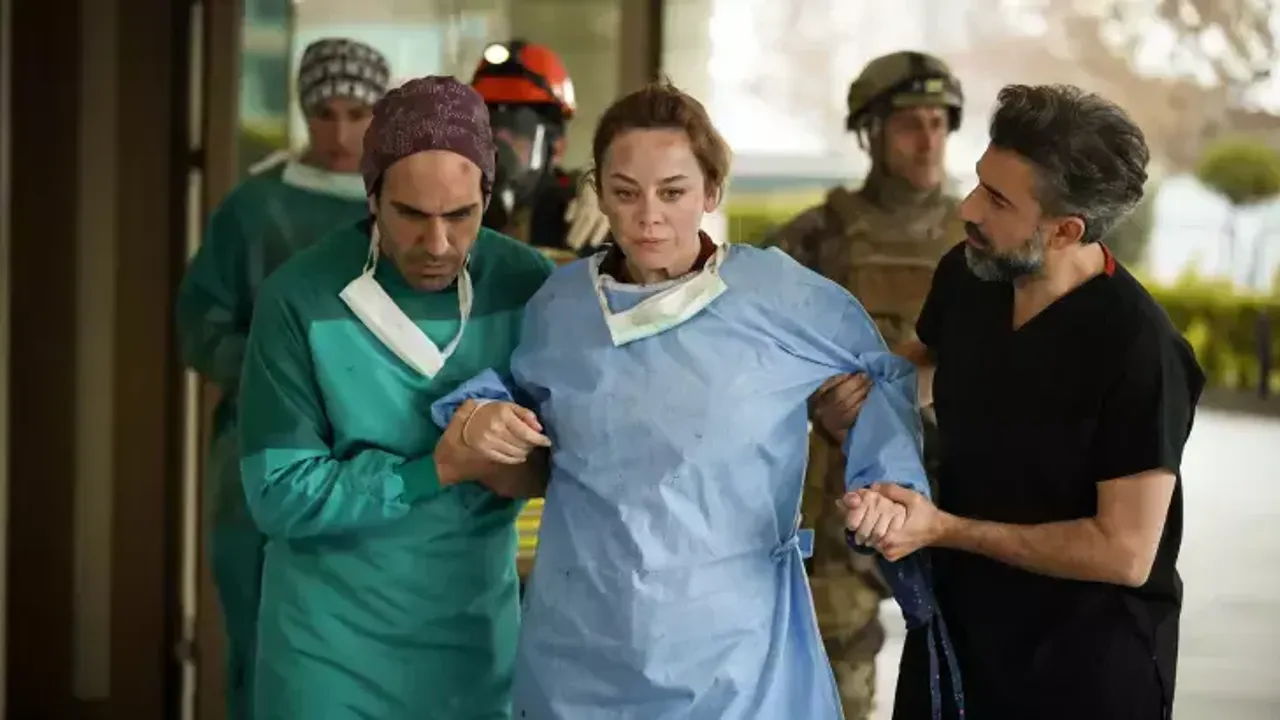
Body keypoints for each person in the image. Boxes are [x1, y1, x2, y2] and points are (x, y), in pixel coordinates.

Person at [428, 81, 940, 719]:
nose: (649, 217)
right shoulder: (558, 308)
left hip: (736, 651)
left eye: (672, 192)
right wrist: (482, 418)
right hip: (581, 647)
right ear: (598, 193)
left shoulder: (778, 297)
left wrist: (884, 484)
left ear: (711, 191)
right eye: (625, 193)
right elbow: (512, 413)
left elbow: (881, 379)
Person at [856, 84, 1204, 719]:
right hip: (954, 642)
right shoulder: (971, 272)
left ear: (1066, 230)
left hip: (1081, 673)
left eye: (997, 200)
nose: (967, 208)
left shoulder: (1140, 351)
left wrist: (943, 529)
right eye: (978, 182)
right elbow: (929, 363)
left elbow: (1124, 552)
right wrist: (854, 393)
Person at [235, 76, 556, 718]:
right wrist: (438, 469)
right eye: (410, 215)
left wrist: (509, 459)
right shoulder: (299, 298)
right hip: (328, 656)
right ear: (372, 196)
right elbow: (278, 494)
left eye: (460, 216)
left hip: (473, 650)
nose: (437, 245)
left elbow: (572, 466)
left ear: (487, 197)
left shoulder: (527, 287)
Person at [175, 36, 391, 719]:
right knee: (265, 643)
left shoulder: (404, 208)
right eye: (325, 114)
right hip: (261, 455)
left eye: (358, 115)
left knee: (365, 654)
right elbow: (200, 323)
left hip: (372, 458)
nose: (341, 134)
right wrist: (283, 373)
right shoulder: (254, 208)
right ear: (302, 111)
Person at [766, 50, 966, 719]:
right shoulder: (816, 238)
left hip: (956, 499)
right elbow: (747, 361)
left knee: (961, 681)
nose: (928, 140)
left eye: (939, 122)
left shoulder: (981, 241)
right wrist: (816, 402)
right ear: (871, 133)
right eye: (910, 123)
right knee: (835, 688)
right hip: (839, 504)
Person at [471, 39, 610, 262]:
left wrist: (609, 195)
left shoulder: (577, 213)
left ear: (556, 147)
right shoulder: (457, 207)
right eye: (489, 130)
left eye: (517, 133)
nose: (498, 148)